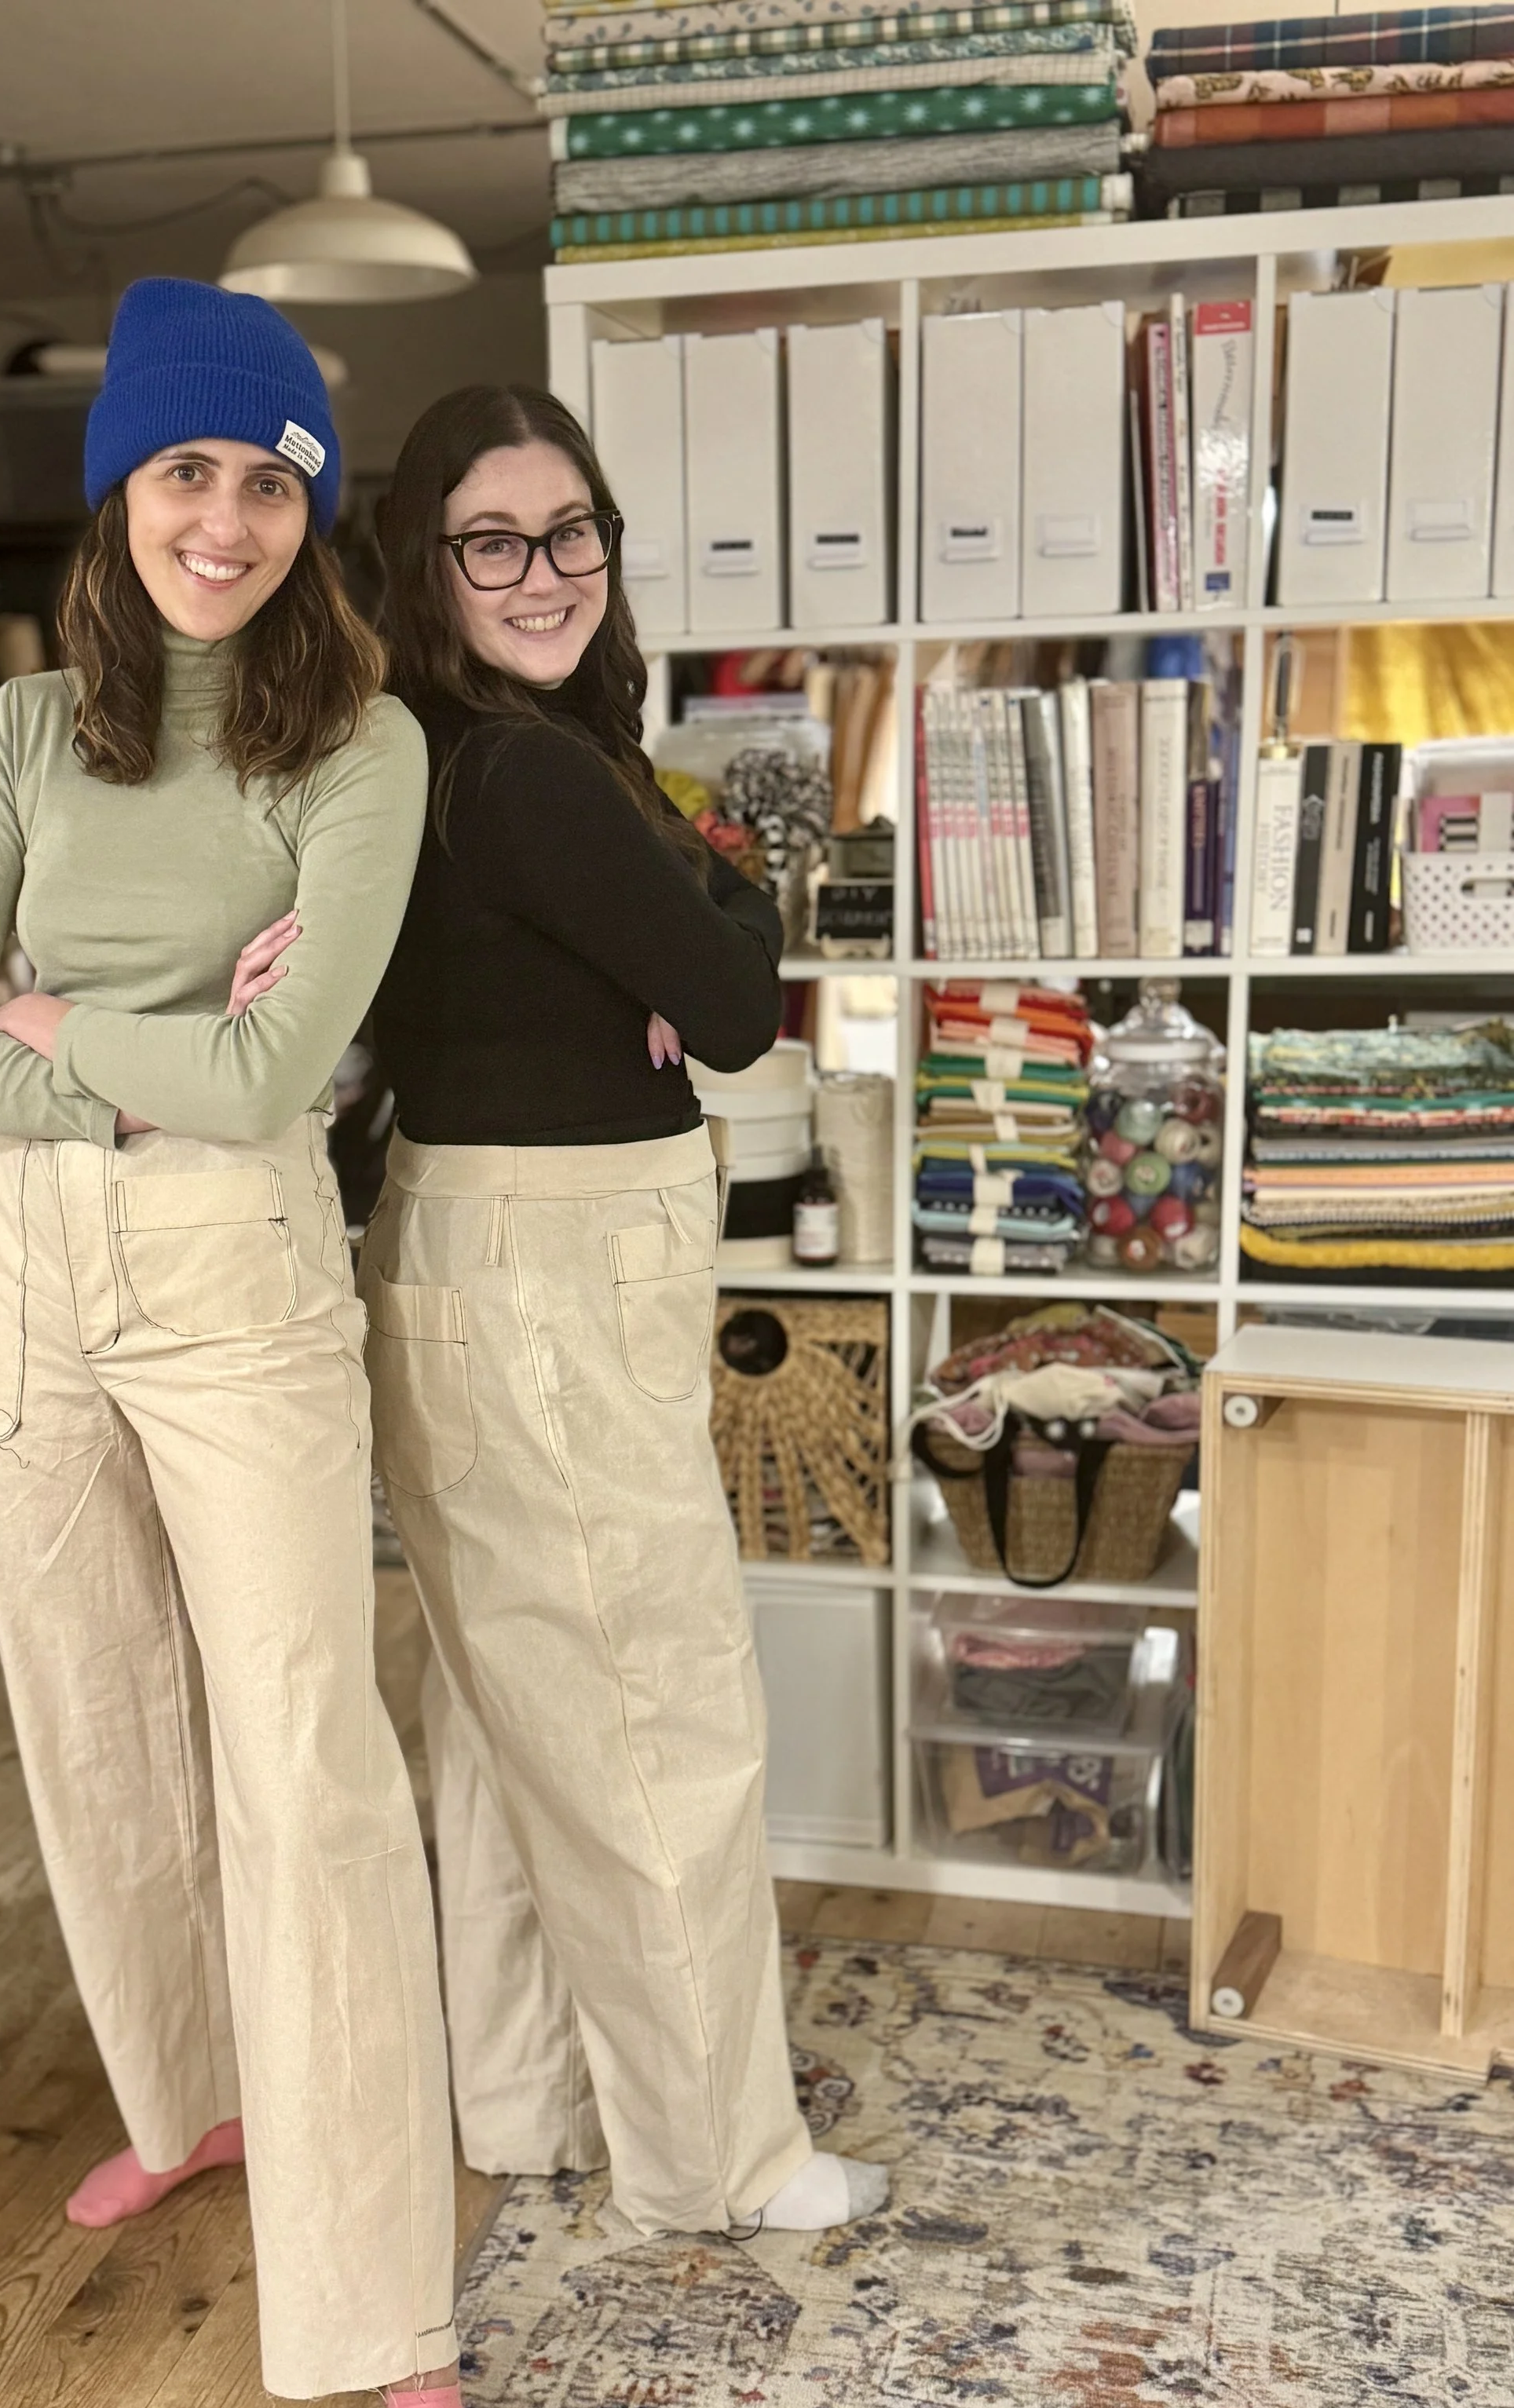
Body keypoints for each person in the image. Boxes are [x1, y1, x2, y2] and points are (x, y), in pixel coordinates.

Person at [0, 279, 495, 2408]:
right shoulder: (28, 728)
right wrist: (137, 1048)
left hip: (235, 1279)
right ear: (117, 489)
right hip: (34, 1268)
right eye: (181, 471)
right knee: (92, 1713)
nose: (221, 519)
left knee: (306, 1782)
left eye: (263, 479)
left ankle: (399, 2346)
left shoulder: (362, 751)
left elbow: (272, 1082)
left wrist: (57, 1024)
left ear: (310, 509)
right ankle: (192, 2101)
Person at [364, 382, 892, 2242]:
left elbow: (706, 945)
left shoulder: (433, 749)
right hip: (549, 1269)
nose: (541, 572)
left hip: (465, 1244)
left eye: (567, 529)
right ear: (426, 562)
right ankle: (715, 2160)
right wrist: (688, 926)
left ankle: (525, 2099)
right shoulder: (527, 775)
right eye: (490, 541)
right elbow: (739, 996)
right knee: (650, 1712)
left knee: (512, 1710)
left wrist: (680, 925)